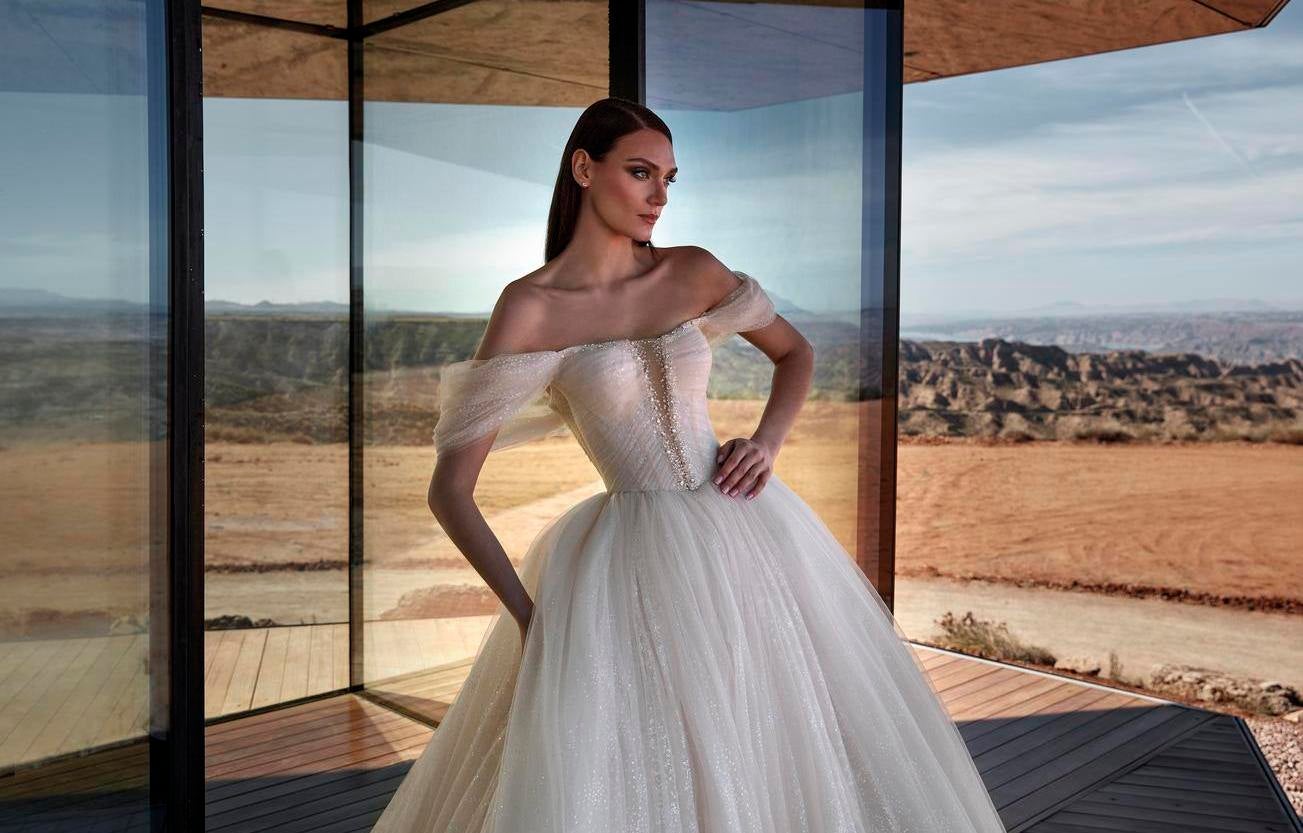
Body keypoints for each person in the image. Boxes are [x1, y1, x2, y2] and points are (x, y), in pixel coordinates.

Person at [372, 97, 1008, 833]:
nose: (658, 197)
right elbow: (450, 490)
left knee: (772, 731)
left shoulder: (693, 270)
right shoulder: (530, 307)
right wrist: (530, 617)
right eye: (640, 173)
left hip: (748, 530)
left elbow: (795, 353)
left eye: (669, 178)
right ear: (584, 168)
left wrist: (765, 442)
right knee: (634, 758)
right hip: (624, 565)